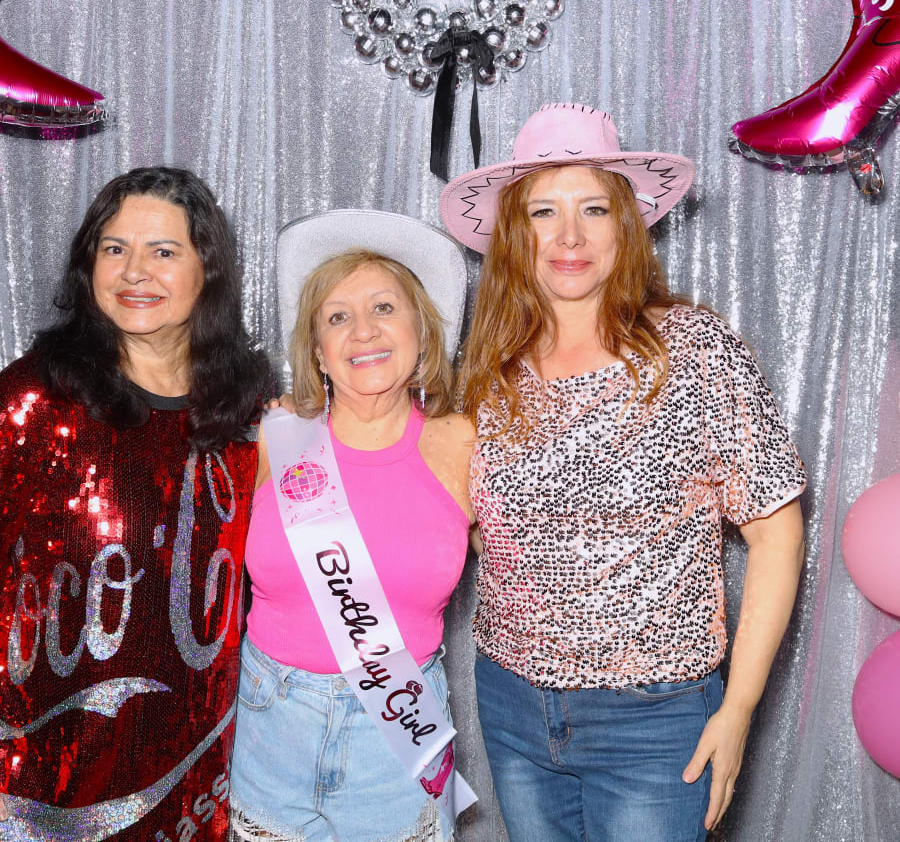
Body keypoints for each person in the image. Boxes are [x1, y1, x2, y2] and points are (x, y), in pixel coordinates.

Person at [439, 103, 807, 842]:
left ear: (626, 226)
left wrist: (737, 711)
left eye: (594, 209)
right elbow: (478, 522)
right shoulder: (490, 366)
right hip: (511, 706)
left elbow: (776, 534)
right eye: (543, 211)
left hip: (655, 722)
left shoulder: (694, 350)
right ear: (514, 233)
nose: (569, 236)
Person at [0, 166, 269, 841]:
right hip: (41, 791)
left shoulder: (251, 419)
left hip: (194, 783)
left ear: (208, 270)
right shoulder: (32, 400)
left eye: (163, 251)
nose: (133, 271)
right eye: (114, 248)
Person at [228, 210, 475, 842]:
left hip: (397, 732)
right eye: (337, 317)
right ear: (317, 350)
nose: (363, 330)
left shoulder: (462, 443)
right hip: (268, 725)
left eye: (384, 308)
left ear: (423, 331)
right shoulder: (276, 436)